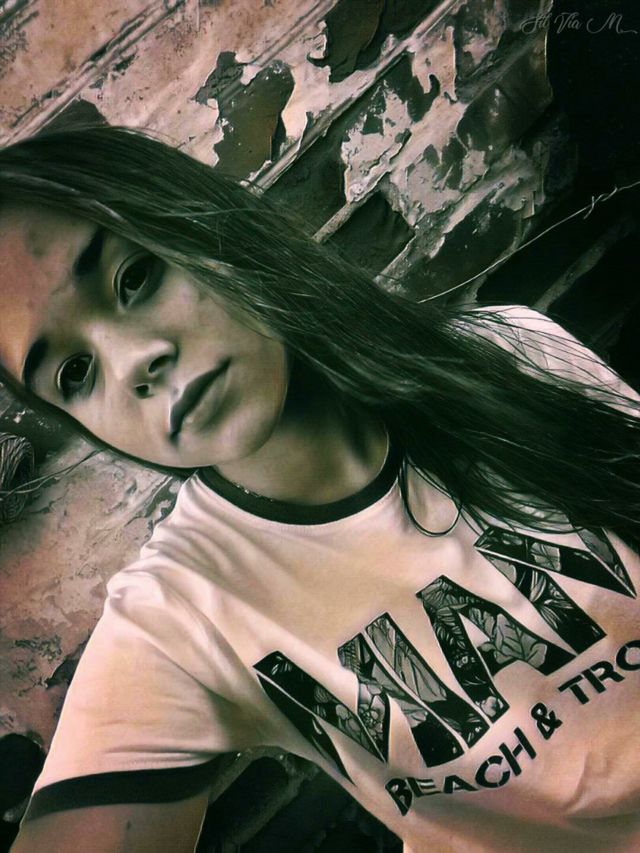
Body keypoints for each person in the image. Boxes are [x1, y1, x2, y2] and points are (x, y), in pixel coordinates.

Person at [0, 125, 639, 852]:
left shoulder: (512, 350)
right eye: (74, 373)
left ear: (209, 225)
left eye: (134, 277)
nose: (132, 361)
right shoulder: (179, 615)